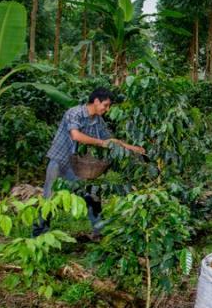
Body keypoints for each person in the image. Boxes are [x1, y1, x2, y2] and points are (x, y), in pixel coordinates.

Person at [34, 87, 146, 239]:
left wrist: (133, 148)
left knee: (91, 195)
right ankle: (38, 236)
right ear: (96, 101)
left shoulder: (98, 121)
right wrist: (101, 143)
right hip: (60, 161)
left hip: (78, 166)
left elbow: (111, 140)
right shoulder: (75, 113)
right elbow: (76, 135)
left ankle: (99, 232)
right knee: (48, 198)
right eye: (106, 105)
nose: (107, 109)